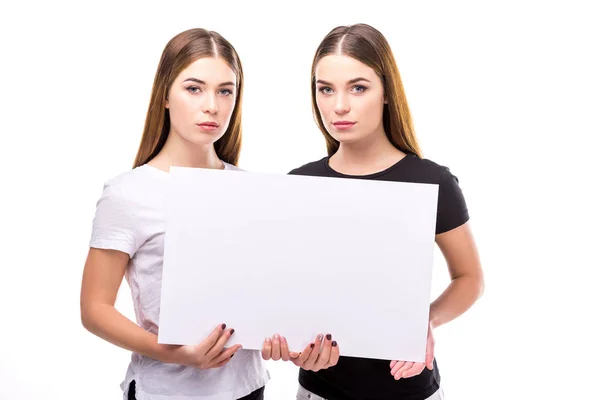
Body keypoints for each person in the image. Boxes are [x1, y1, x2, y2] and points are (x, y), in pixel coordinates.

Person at [264, 23, 484, 400]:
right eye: (326, 89)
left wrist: (424, 321)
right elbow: (285, 293)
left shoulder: (431, 181)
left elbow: (470, 279)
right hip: (318, 392)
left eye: (358, 87)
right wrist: (288, 344)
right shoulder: (297, 184)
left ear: (386, 92)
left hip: (409, 391)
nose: (339, 106)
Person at [79, 28, 269, 400]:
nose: (212, 105)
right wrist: (177, 354)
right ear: (166, 95)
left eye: (225, 91)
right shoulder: (127, 193)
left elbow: (267, 297)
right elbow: (94, 308)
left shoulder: (253, 190)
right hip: (165, 392)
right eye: (194, 88)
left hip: (248, 389)